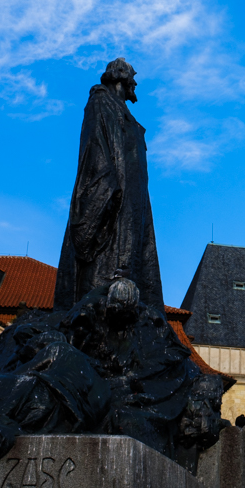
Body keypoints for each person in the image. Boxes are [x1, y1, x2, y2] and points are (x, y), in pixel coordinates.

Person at [54, 58, 163, 309]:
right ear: (120, 76)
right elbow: (96, 153)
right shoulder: (101, 102)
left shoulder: (124, 112)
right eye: (133, 76)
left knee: (135, 266)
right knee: (103, 271)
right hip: (113, 200)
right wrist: (107, 194)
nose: (135, 82)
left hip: (134, 207)